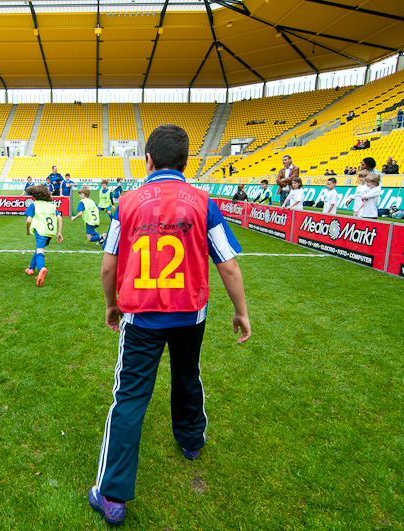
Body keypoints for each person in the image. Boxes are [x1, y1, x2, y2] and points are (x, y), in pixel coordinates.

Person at [89, 124, 251, 526]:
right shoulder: (204, 202)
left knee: (130, 397)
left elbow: (109, 264)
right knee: (187, 374)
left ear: (148, 160)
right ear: (185, 162)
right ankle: (191, 440)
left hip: (141, 316)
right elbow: (228, 265)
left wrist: (111, 305)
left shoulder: (126, 202)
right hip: (190, 313)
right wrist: (241, 311)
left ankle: (112, 494)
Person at [23, 185, 63, 287]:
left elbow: (28, 220)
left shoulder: (34, 205)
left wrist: (27, 230)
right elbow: (60, 218)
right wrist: (59, 233)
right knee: (38, 249)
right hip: (50, 232)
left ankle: (41, 269)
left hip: (40, 231)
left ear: (35, 195)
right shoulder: (51, 205)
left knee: (40, 251)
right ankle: (31, 269)